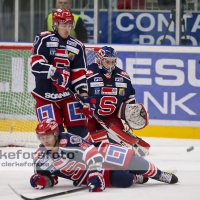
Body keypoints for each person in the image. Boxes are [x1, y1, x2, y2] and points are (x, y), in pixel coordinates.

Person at [30, 118, 178, 192]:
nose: (45, 140)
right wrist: (42, 180)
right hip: (85, 176)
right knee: (125, 180)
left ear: (56, 134)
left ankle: (159, 174)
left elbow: (92, 153)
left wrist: (95, 172)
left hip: (102, 153)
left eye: (48, 136)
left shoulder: (70, 140)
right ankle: (137, 177)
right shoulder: (40, 156)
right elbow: (51, 178)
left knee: (135, 162)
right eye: (42, 137)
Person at [31, 9, 95, 142]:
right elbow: (35, 65)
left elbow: (79, 76)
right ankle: (55, 161)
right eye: (63, 25)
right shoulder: (43, 39)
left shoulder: (78, 46)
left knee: (79, 134)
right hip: (46, 96)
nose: (67, 29)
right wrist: (53, 71)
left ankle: (88, 158)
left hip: (69, 96)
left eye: (69, 25)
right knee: (54, 136)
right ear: (55, 25)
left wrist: (85, 99)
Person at [86, 46, 150, 156]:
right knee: (86, 144)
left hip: (110, 116)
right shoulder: (88, 74)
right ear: (100, 60)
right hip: (89, 116)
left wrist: (130, 113)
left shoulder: (123, 77)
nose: (110, 65)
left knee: (122, 148)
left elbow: (129, 98)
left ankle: (104, 139)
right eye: (107, 62)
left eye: (113, 62)